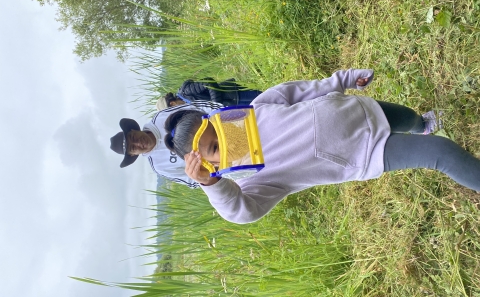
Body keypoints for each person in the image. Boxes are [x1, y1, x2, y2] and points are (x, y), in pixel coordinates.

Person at [163, 69, 480, 224]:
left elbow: (300, 91)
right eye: (214, 151)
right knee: (441, 154)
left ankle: (420, 125)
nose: (224, 142)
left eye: (216, 132)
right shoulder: (256, 177)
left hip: (362, 110)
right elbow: (241, 211)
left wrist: (341, 81)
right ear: (213, 168)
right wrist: (211, 185)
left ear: (217, 117)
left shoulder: (257, 108)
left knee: (408, 118)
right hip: (366, 154)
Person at [109, 100, 224, 189]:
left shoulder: (161, 117)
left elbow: (196, 107)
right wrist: (209, 175)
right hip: (224, 163)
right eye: (133, 147)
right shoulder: (159, 167)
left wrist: (227, 115)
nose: (138, 142)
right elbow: (192, 181)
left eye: (133, 137)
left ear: (134, 130)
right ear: (133, 155)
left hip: (225, 128)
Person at [156, 78, 262, 110]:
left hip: (233, 93)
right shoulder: (188, 108)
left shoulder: (186, 91)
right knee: (260, 107)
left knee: (263, 96)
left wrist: (216, 105)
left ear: (172, 104)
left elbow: (208, 82)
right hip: (232, 106)